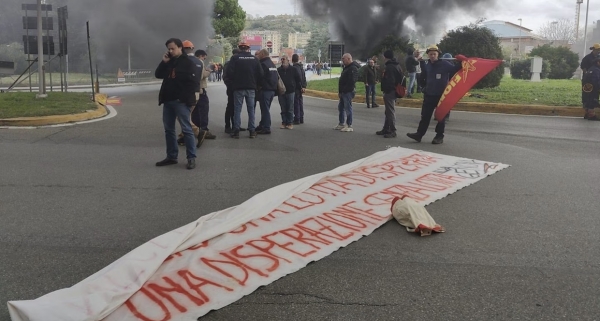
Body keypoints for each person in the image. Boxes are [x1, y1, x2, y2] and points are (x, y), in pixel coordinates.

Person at [154, 38, 199, 170]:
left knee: (186, 129)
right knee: (169, 130)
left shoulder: (188, 63)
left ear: (180, 48)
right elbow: (158, 74)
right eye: (169, 49)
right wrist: (164, 62)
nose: (170, 51)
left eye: (173, 48)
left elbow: (193, 84)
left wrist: (188, 101)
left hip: (181, 102)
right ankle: (172, 156)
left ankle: (191, 157)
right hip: (168, 100)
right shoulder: (170, 62)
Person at [406, 45, 461, 145]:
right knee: (425, 116)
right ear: (428, 55)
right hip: (429, 95)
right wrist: (421, 62)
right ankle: (419, 134)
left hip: (441, 96)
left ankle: (439, 136)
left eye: (434, 54)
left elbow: (455, 69)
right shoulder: (428, 64)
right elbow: (424, 73)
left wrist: (461, 61)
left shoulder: (444, 64)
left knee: (441, 117)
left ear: (438, 54)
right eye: (430, 54)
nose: (432, 56)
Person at [226, 41, 264, 138]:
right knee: (251, 110)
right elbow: (261, 74)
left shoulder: (235, 58)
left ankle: (236, 130)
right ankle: (252, 131)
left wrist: (233, 83)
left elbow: (229, 73)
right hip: (251, 88)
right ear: (248, 48)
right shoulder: (254, 59)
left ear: (239, 48)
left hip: (238, 88)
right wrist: (257, 84)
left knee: (237, 109)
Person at [377, 50, 403, 138]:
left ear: (385, 57)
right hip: (395, 90)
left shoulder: (389, 67)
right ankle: (386, 128)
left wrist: (386, 90)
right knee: (388, 111)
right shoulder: (397, 65)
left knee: (390, 111)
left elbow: (390, 80)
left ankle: (392, 130)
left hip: (390, 91)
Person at [193, 50, 216, 141]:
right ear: (201, 56)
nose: (204, 59)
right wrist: (208, 71)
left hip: (194, 89)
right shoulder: (199, 62)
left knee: (195, 111)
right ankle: (204, 130)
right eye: (204, 57)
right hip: (200, 89)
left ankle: (196, 129)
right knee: (203, 109)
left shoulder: (191, 61)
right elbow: (201, 75)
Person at [334, 53, 360, 132]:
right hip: (343, 92)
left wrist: (345, 90)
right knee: (341, 107)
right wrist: (340, 91)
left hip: (348, 92)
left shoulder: (353, 68)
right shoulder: (346, 68)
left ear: (349, 59)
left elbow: (351, 81)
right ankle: (341, 123)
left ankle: (349, 125)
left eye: (343, 59)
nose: (342, 61)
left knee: (348, 108)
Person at [255, 49, 278, 134]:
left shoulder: (262, 64)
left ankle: (266, 127)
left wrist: (259, 86)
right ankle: (262, 124)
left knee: (265, 110)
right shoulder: (272, 64)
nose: (258, 56)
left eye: (259, 54)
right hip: (272, 90)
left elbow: (260, 77)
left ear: (263, 54)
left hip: (265, 90)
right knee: (266, 109)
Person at [223, 48, 245, 133]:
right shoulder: (229, 64)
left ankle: (236, 125)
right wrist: (231, 85)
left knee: (236, 107)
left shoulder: (237, 63)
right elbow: (225, 77)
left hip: (238, 88)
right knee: (230, 107)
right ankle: (228, 126)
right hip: (232, 88)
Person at [277, 55, 302, 129]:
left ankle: (290, 122)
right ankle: (284, 122)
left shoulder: (293, 69)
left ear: (288, 60)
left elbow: (298, 79)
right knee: (283, 108)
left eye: (284, 59)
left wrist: (297, 88)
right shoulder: (278, 70)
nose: (283, 61)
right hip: (281, 92)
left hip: (291, 91)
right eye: (282, 59)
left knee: (290, 108)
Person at [580, 43, 600, 119]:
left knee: (591, 97)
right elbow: (583, 67)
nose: (598, 51)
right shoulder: (587, 58)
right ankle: (589, 114)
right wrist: (588, 76)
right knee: (589, 97)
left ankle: (588, 113)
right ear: (593, 49)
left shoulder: (597, 58)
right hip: (589, 80)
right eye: (597, 49)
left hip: (592, 78)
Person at [292, 54, 307, 124]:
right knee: (300, 103)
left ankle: (297, 118)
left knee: (296, 103)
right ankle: (301, 118)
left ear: (292, 60)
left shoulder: (294, 68)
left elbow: (297, 79)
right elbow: (304, 78)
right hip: (301, 88)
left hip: (296, 88)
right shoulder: (301, 68)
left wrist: (300, 87)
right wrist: (303, 87)